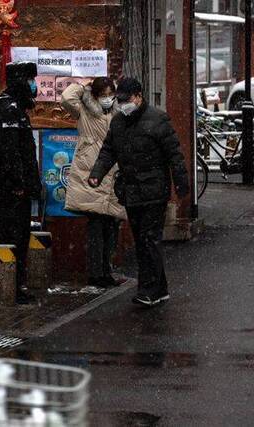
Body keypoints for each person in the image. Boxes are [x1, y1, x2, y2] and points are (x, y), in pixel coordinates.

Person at [88, 77, 189, 307]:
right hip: (131, 191)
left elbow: (174, 154)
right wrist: (97, 173)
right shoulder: (118, 122)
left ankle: (148, 291)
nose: (123, 104)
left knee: (149, 240)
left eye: (126, 100)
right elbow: (108, 151)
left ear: (138, 96)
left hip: (154, 191)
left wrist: (181, 183)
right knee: (143, 240)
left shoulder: (157, 120)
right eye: (119, 100)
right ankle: (159, 288)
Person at [61, 78, 127, 289]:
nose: (107, 99)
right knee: (97, 226)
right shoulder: (85, 112)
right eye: (103, 95)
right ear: (96, 95)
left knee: (112, 225)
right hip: (91, 174)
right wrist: (83, 86)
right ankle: (95, 273)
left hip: (113, 174)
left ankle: (106, 271)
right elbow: (66, 98)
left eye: (111, 94)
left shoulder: (118, 114)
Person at [0, 62, 42, 304]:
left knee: (20, 235)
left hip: (17, 188)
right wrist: (19, 183)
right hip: (12, 190)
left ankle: (16, 284)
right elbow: (10, 153)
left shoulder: (16, 108)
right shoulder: (8, 109)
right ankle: (10, 287)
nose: (34, 85)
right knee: (12, 236)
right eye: (31, 79)